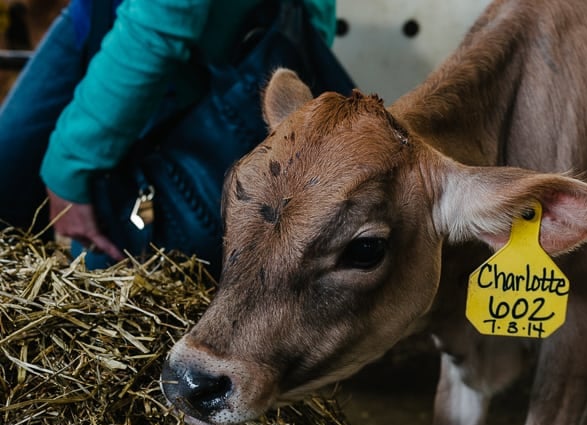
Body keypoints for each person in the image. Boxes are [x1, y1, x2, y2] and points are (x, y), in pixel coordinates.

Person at [0, 0, 337, 266]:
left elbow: (163, 20)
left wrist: (73, 163)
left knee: (117, 253)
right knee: (11, 160)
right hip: (105, 11)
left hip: (196, 43)